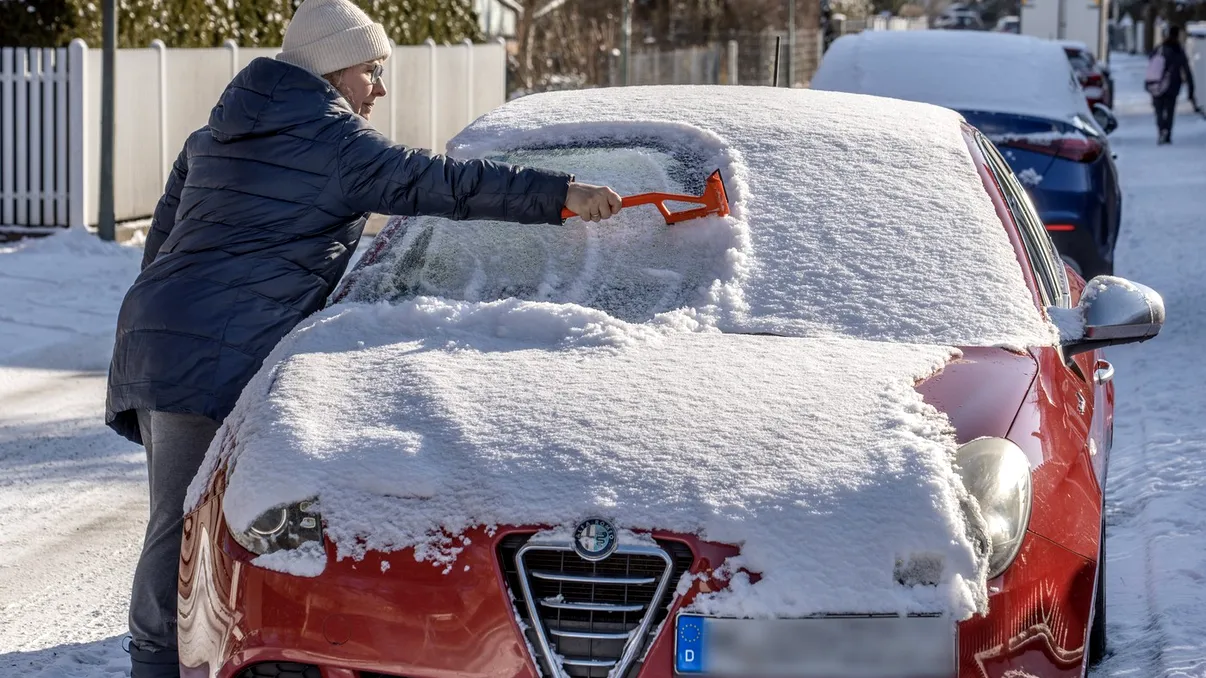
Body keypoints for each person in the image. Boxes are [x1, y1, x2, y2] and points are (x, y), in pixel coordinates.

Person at [104, 0, 622, 675]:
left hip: (164, 334)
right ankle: (157, 663)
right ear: (335, 70)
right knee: (185, 524)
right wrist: (560, 195)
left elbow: (165, 248)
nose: (379, 87)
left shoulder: (213, 135)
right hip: (209, 348)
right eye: (373, 70)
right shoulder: (333, 142)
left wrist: (168, 326)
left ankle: (241, 637)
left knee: (233, 513)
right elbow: (443, 185)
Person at [1146, 24, 1199, 144]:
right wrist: (1191, 90)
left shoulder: (1159, 48)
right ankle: (1167, 133)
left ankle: (1161, 130)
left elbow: (1151, 64)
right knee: (1170, 111)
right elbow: (1186, 70)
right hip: (1173, 86)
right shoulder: (1178, 50)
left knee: (1159, 110)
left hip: (1157, 84)